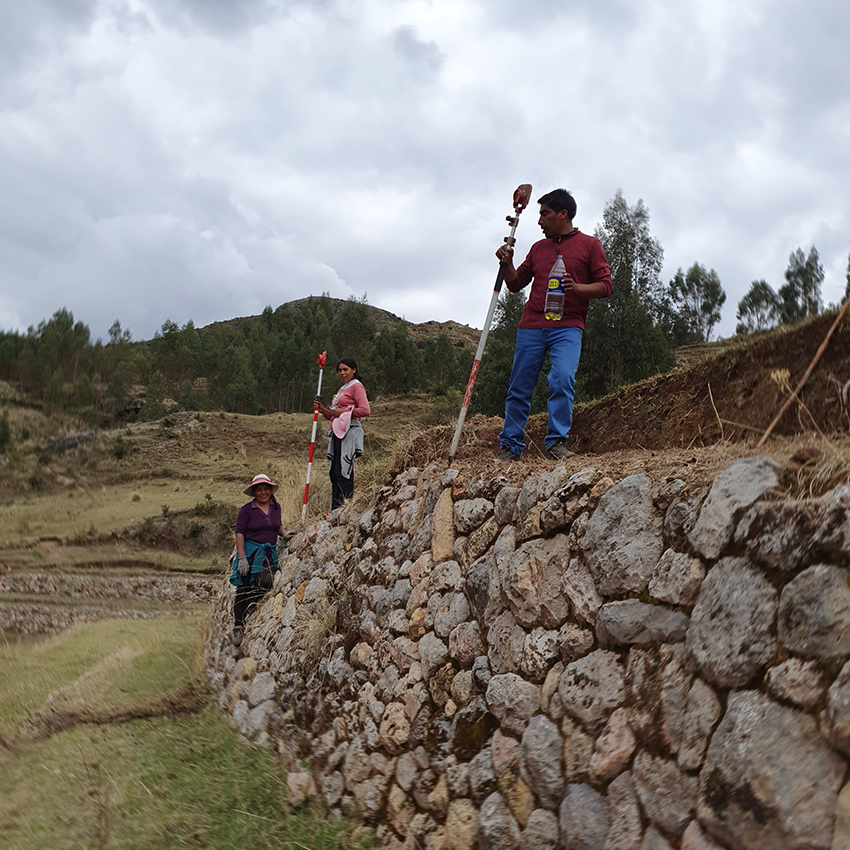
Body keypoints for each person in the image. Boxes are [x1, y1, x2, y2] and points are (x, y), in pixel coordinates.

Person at [496, 188, 613, 461]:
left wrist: (579, 289)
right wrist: (508, 262)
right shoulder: (538, 248)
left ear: (563, 214)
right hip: (531, 326)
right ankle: (510, 447)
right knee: (519, 387)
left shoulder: (590, 245)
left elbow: (606, 286)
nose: (539, 221)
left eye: (545, 214)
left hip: (568, 327)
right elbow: (515, 284)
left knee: (562, 379)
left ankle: (556, 443)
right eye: (538, 214)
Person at [229, 473, 284, 647]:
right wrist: (242, 557)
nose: (263, 492)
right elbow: (240, 533)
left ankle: (253, 606)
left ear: (270, 490)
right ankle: (238, 625)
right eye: (259, 490)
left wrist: (285, 534)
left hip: (268, 555)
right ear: (254, 492)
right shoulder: (246, 510)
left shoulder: (276, 507)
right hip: (251, 553)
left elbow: (277, 525)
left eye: (265, 489)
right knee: (243, 588)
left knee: (266, 582)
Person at [314, 358, 371, 511]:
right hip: (337, 432)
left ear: (354, 370)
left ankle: (346, 508)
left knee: (343, 471)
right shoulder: (342, 389)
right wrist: (325, 410)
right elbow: (335, 415)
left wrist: (345, 412)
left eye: (345, 369)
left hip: (349, 432)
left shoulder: (357, 387)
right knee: (334, 472)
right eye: (339, 370)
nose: (342, 373)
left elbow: (365, 410)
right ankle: (335, 509)